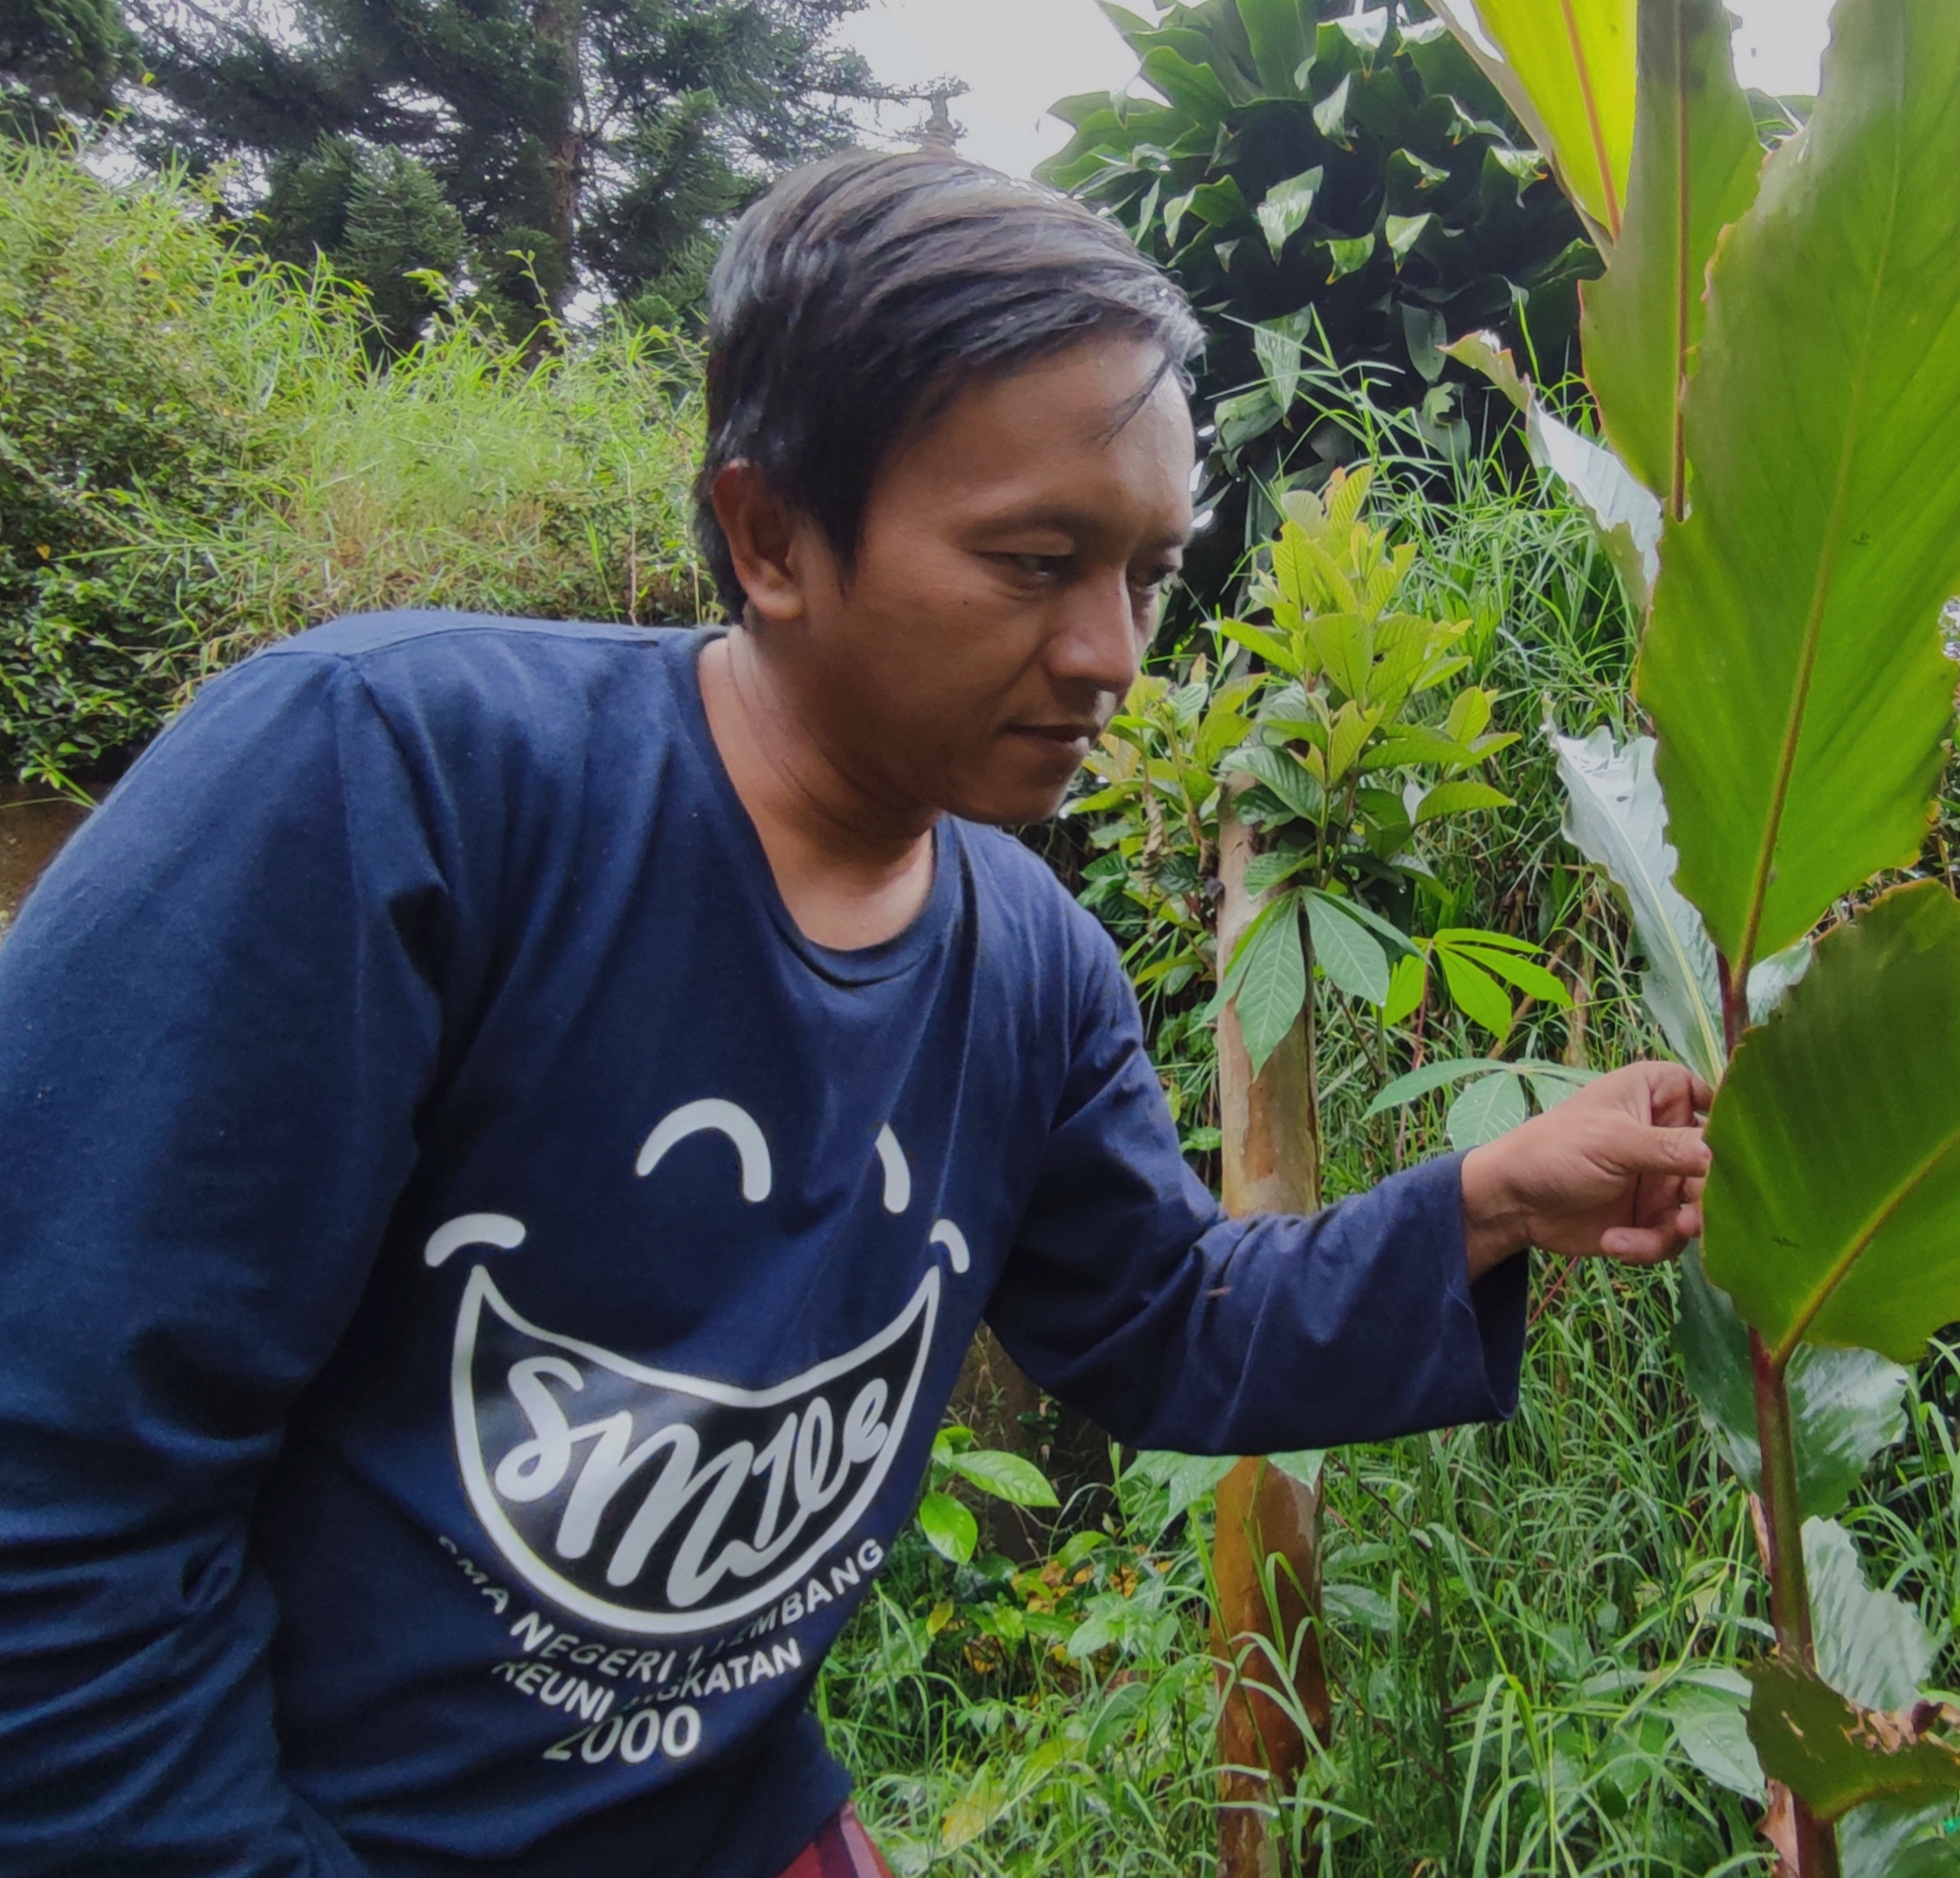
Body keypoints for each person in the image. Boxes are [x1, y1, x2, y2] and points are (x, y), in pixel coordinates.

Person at [0, 151, 1711, 1878]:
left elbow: (1168, 1321)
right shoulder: (391, 787)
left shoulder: (1029, 963)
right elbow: (54, 1496)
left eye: (1149, 572)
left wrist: (1494, 1201)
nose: (1112, 653)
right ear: (770, 537)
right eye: (1036, 559)